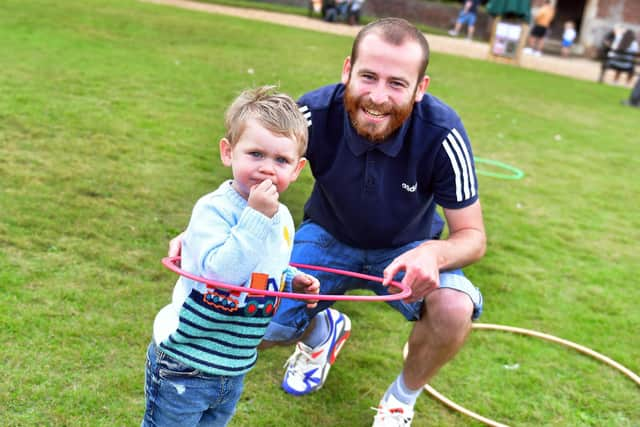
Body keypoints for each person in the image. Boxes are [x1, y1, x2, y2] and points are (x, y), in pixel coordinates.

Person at [170, 17, 486, 427]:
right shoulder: (312, 113)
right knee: (260, 321)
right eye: (368, 76)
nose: (378, 96)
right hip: (327, 236)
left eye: (396, 83)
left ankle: (400, 399)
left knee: (454, 307)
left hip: (408, 247)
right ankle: (322, 332)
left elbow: (473, 237)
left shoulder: (443, 133)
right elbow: (252, 169)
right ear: (346, 71)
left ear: (420, 89)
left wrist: (434, 252)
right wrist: (202, 232)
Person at [143, 86, 320, 427]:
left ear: (296, 170)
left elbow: (263, 267)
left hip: (233, 364)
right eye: (255, 154)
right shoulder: (214, 210)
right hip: (187, 361)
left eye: (281, 160)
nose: (268, 169)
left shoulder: (281, 217)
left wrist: (289, 278)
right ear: (228, 152)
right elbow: (222, 274)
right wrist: (255, 216)